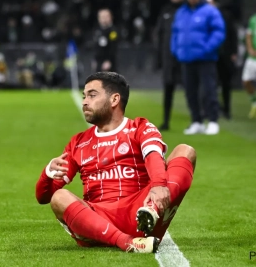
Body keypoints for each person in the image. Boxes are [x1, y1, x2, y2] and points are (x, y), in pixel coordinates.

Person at [35, 72, 195, 253]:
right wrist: (47, 174)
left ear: (114, 99)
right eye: (84, 96)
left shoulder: (139, 127)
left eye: (92, 95)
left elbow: (153, 155)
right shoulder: (78, 142)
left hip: (140, 211)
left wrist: (158, 185)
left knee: (185, 151)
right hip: (97, 221)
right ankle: (126, 242)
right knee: (59, 197)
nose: (84, 102)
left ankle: (150, 211)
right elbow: (44, 197)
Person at [171, 0, 225, 135]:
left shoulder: (210, 11)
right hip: (186, 58)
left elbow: (219, 32)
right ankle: (197, 121)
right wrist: (176, 50)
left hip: (205, 59)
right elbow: (175, 33)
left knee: (208, 90)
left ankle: (213, 120)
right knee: (190, 92)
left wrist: (207, 48)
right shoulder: (181, 12)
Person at [155, 0, 185, 131]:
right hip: (168, 57)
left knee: (193, 89)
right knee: (168, 88)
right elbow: (159, 34)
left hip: (185, 57)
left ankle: (198, 120)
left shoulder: (188, 10)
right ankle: (166, 121)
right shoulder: (165, 10)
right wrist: (159, 58)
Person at [206, 0, 238, 120]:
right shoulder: (202, 16)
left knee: (226, 83)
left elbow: (232, 34)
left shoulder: (225, 15)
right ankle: (211, 109)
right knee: (210, 84)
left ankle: (226, 109)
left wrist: (234, 52)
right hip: (209, 55)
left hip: (224, 54)